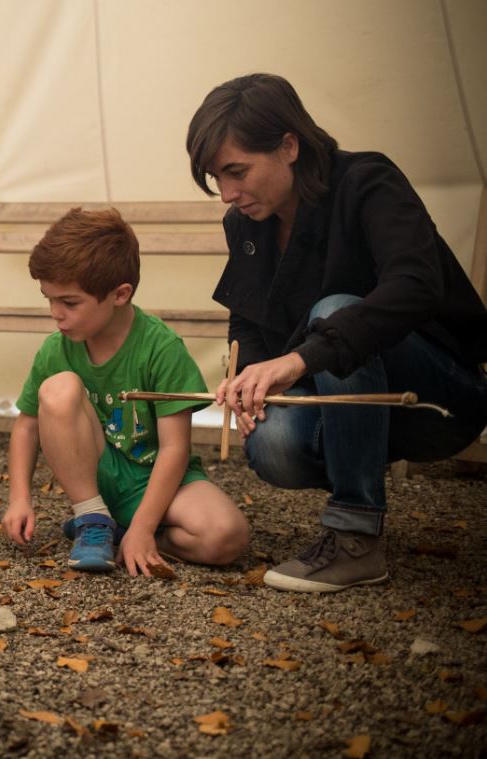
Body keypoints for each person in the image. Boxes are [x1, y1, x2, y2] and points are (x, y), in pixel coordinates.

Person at [186, 73, 487, 592]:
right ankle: (354, 519)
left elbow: (415, 285)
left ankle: (354, 539)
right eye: (217, 177)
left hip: (441, 398)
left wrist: (300, 360)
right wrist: (249, 379)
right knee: (273, 442)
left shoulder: (367, 181)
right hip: (357, 415)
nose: (227, 195)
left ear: (288, 145)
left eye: (237, 171)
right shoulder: (245, 224)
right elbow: (249, 316)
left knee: (337, 308)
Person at [1, 208, 249, 575]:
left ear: (120, 294)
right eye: (49, 299)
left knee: (228, 537)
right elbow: (26, 426)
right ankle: (92, 518)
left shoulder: (161, 348)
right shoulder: (57, 348)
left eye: (69, 302)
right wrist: (19, 498)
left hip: (157, 478)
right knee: (58, 388)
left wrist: (144, 529)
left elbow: (175, 448)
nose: (56, 313)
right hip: (94, 476)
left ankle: (121, 532)